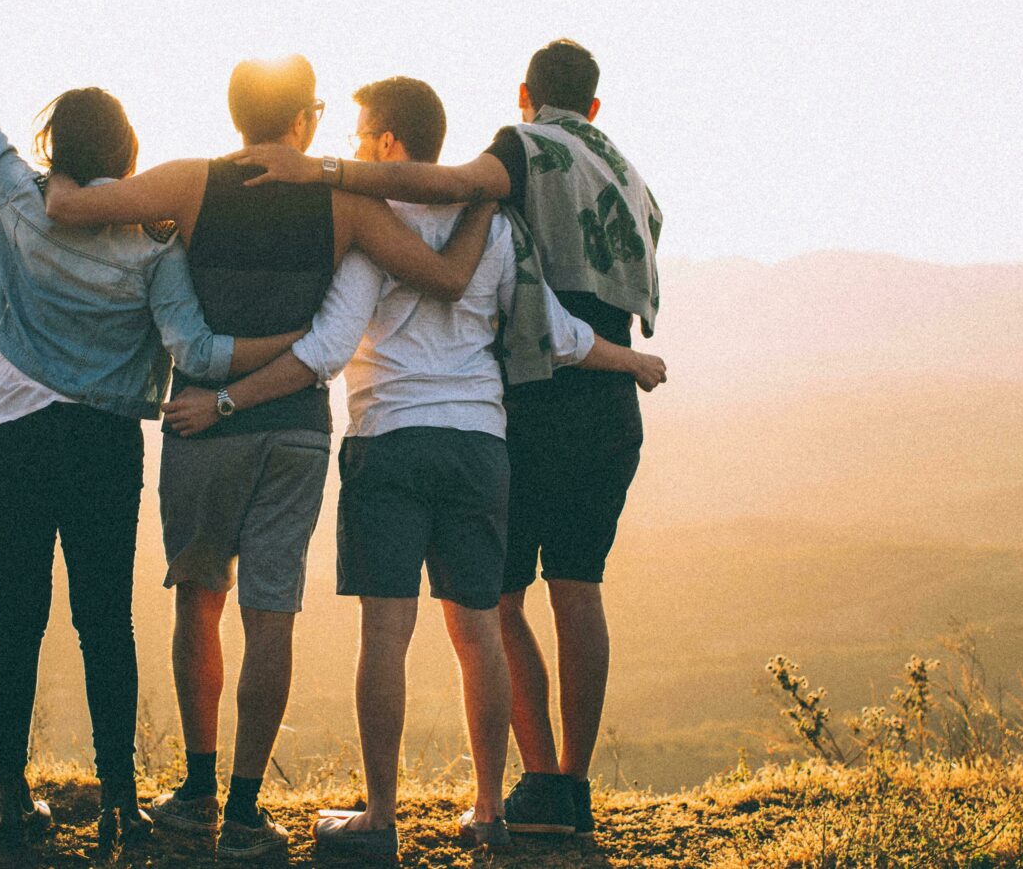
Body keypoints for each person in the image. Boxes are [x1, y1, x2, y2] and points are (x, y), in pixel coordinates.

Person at [165, 77, 665, 860]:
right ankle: (491, 810)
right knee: (478, 631)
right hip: (480, 445)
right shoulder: (493, 227)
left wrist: (225, 401)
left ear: (391, 143)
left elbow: (326, 351)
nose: (358, 148)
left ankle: (382, 817)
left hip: (390, 441)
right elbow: (557, 331)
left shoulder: (373, 229)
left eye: (365, 135)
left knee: (386, 634)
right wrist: (629, 359)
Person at [0, 0, 306, 865]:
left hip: (6, 436)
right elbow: (194, 352)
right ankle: (119, 801)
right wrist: (301, 344)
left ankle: (9, 797)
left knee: (17, 614)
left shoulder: (22, 201)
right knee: (104, 620)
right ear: (126, 155)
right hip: (103, 446)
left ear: (54, 149)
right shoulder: (152, 246)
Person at [44, 57, 496, 860]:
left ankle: (196, 789)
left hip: (200, 426)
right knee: (270, 612)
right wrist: (487, 198)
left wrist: (58, 176)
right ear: (303, 124)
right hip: (295, 429)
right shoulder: (343, 203)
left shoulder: (189, 183)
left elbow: (79, 206)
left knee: (198, 597)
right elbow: (445, 277)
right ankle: (247, 810)